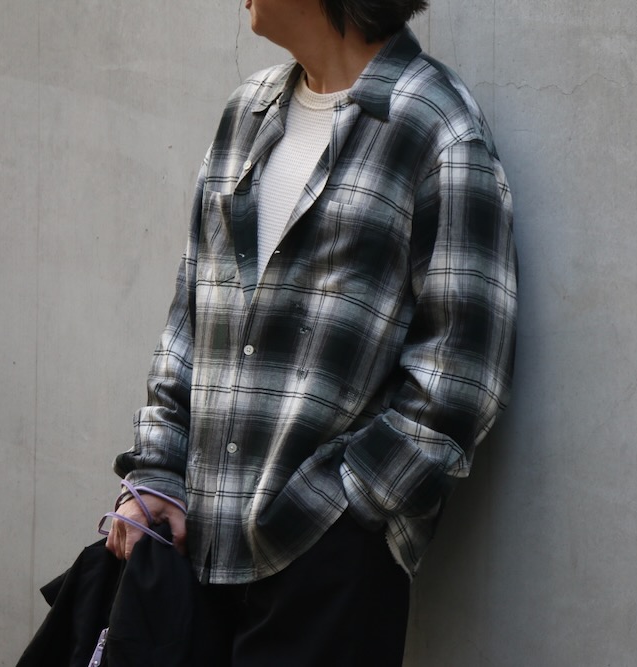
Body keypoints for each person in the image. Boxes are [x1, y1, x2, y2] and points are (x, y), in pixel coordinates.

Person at [104, 0, 517, 663]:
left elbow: (463, 373)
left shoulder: (435, 128)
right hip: (192, 552)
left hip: (326, 570)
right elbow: (189, 322)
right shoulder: (247, 113)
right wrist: (156, 475)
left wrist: (347, 511)